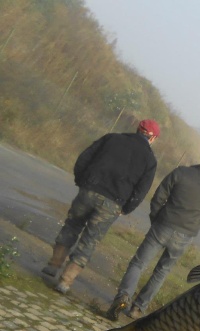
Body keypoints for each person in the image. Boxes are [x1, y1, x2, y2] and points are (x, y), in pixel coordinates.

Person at [105, 147, 200, 320]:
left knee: (138, 263)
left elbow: (159, 196)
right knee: (162, 272)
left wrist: (156, 219)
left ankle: (123, 296)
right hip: (185, 235)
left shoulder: (181, 172)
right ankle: (137, 309)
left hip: (163, 224)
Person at [43, 119, 159, 294]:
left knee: (72, 225)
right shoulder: (150, 160)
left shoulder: (112, 138)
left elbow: (84, 159)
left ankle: (53, 265)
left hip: (89, 190)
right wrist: (126, 208)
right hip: (113, 203)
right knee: (90, 240)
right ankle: (65, 281)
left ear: (137, 130)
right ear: (153, 138)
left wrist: (81, 181)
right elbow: (141, 191)